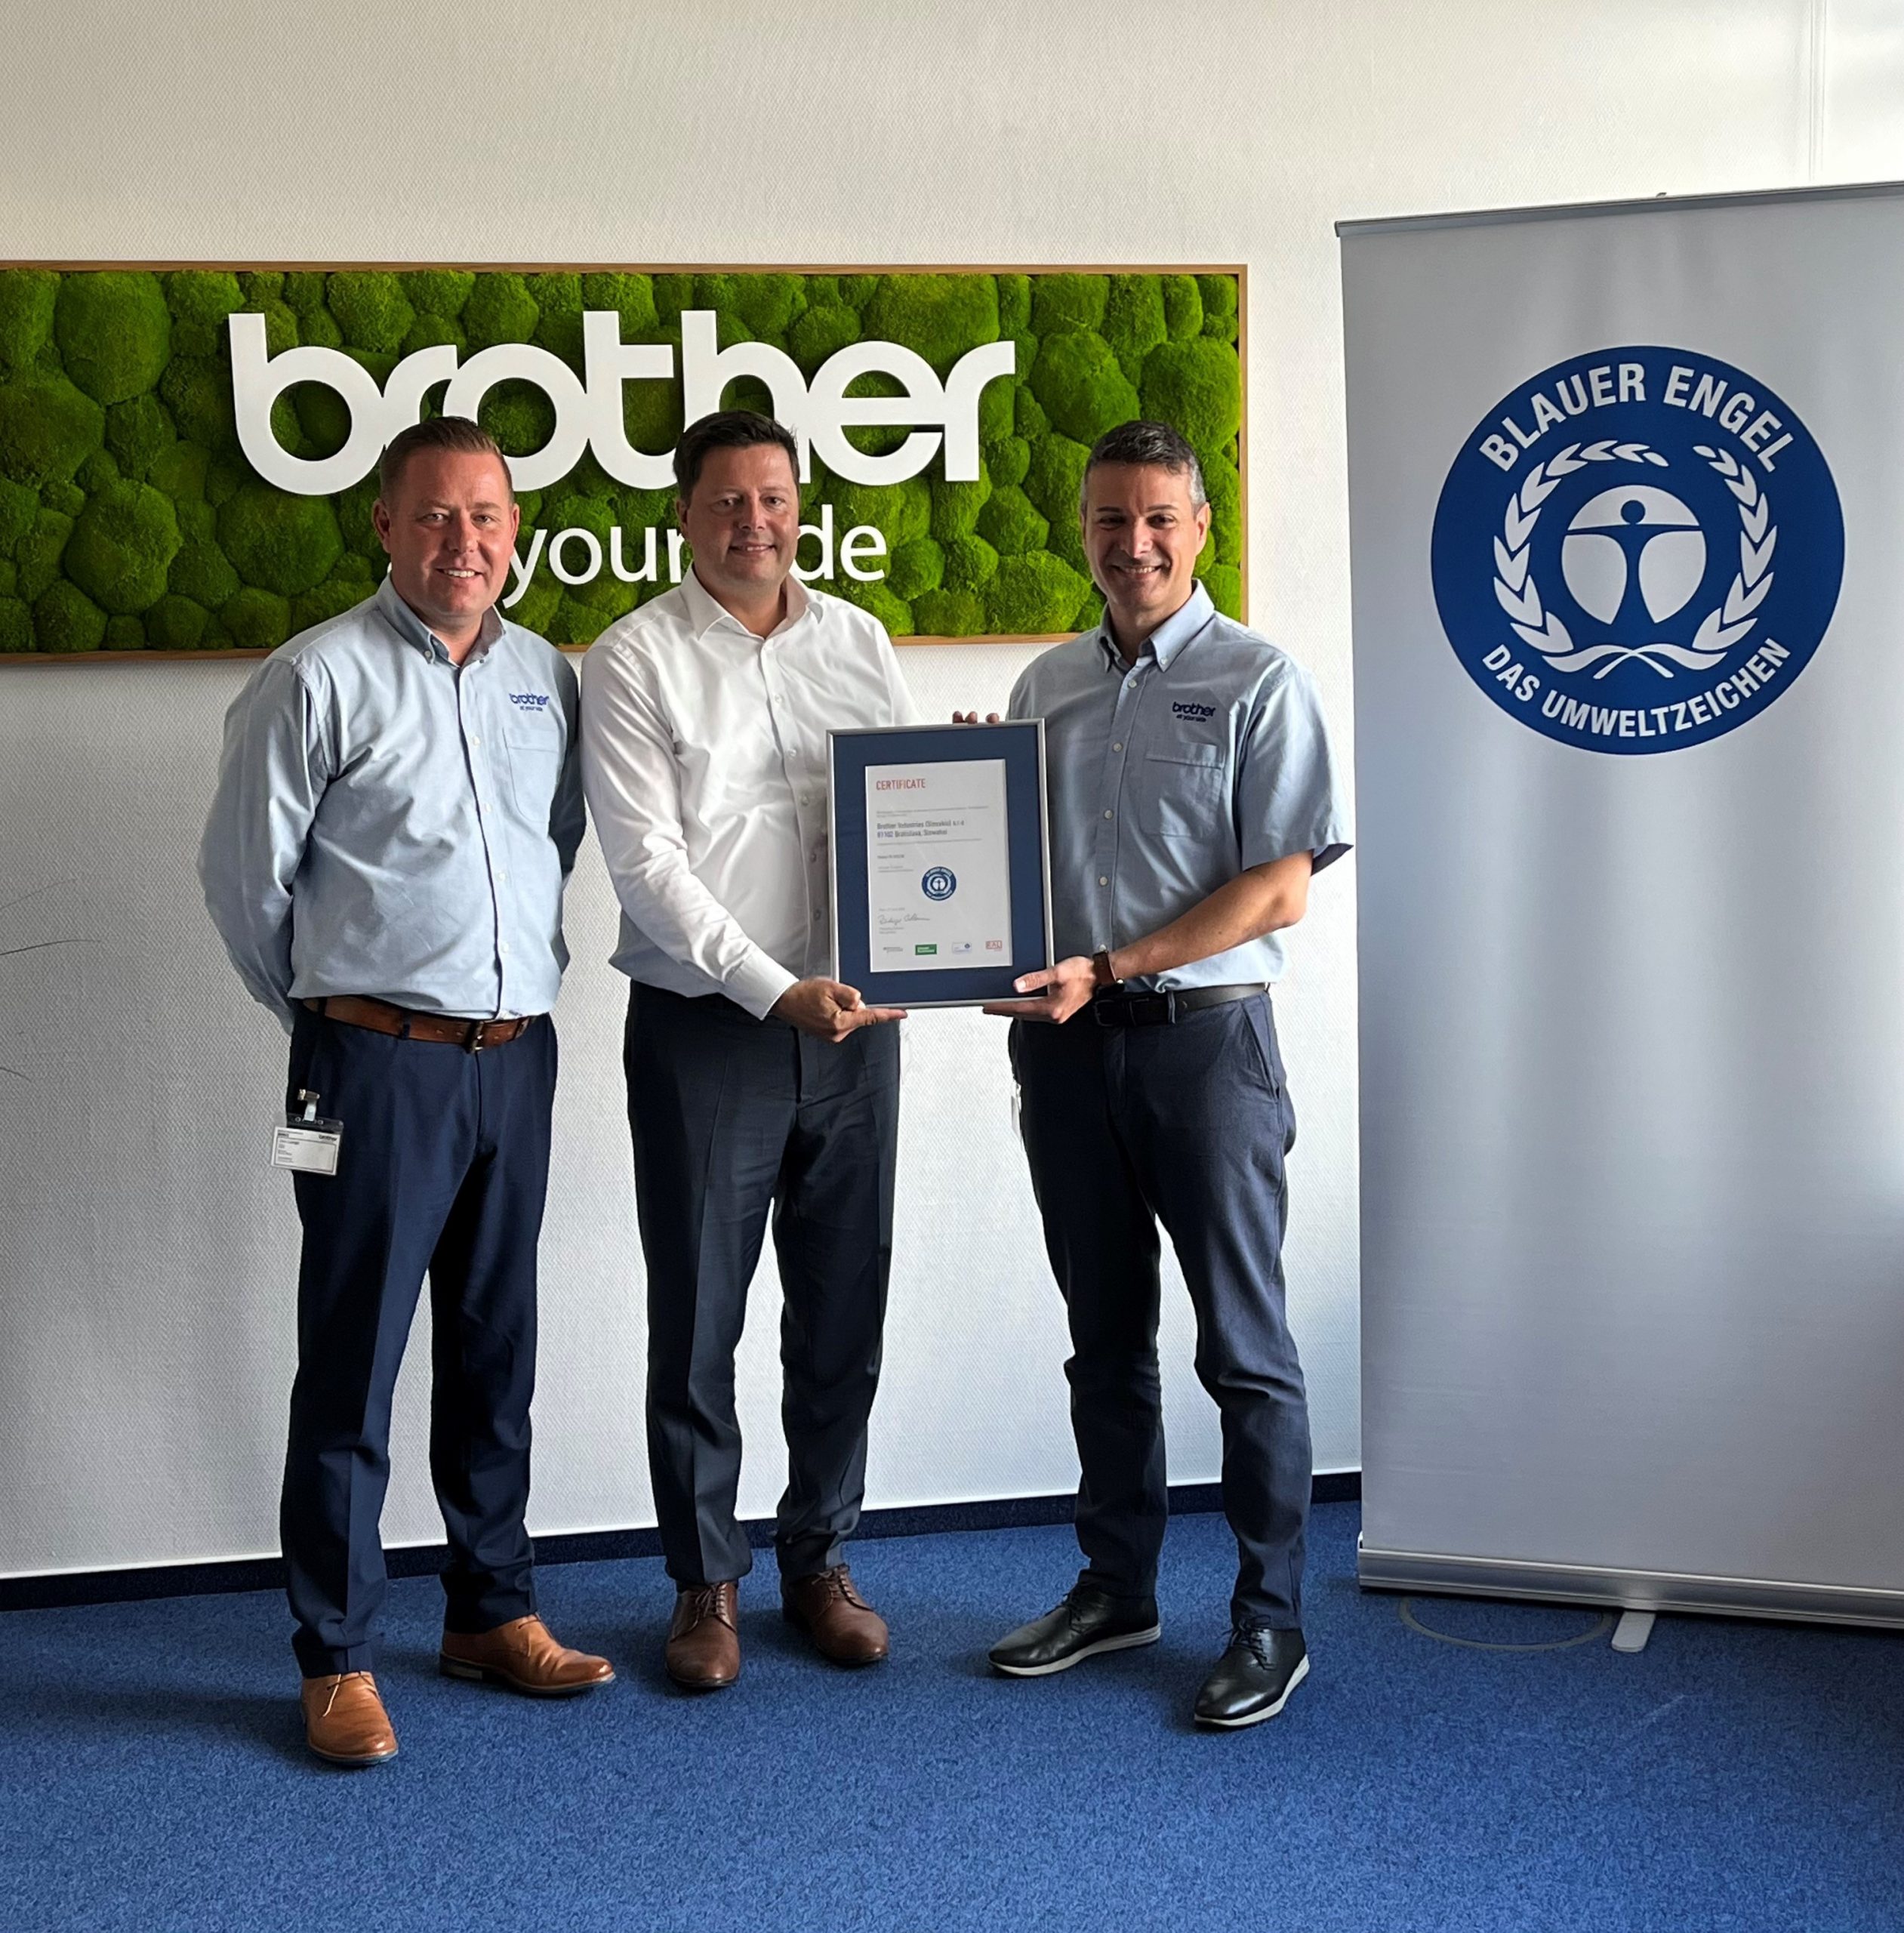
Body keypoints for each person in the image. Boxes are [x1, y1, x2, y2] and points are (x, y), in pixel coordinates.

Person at [199, 415, 611, 1767]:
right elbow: (242, 881)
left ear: (514, 530)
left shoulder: (544, 678)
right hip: (369, 1068)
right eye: (434, 515)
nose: (462, 542)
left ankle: (491, 1610)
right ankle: (336, 1653)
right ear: (384, 525)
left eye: (484, 515)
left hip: (516, 1060)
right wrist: (331, 1023)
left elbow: (552, 845)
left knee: (496, 1351)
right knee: (354, 1360)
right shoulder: (315, 676)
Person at [978, 418, 1349, 1728]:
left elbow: (1278, 889)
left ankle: (1269, 1620)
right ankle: (1116, 1587)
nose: (1130, 543)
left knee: (1243, 1349)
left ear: (1199, 529)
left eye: (1155, 519)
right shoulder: (1043, 688)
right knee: (1103, 1340)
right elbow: (1006, 868)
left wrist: (1115, 963)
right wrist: (963, 811)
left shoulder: (1258, 679)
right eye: (1108, 519)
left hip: (1205, 1049)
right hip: (1067, 1051)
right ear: (1080, 529)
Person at [581, 409, 916, 1691]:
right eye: (726, 500)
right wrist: (774, 991)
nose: (752, 522)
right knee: (698, 1323)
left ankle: (819, 1560)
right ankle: (704, 1581)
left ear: (798, 508)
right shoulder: (632, 660)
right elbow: (648, 867)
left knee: (843, 1309)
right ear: (683, 515)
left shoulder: (857, 641)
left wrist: (956, 814)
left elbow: (899, 808)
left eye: (772, 498)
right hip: (708, 1033)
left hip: (857, 1031)